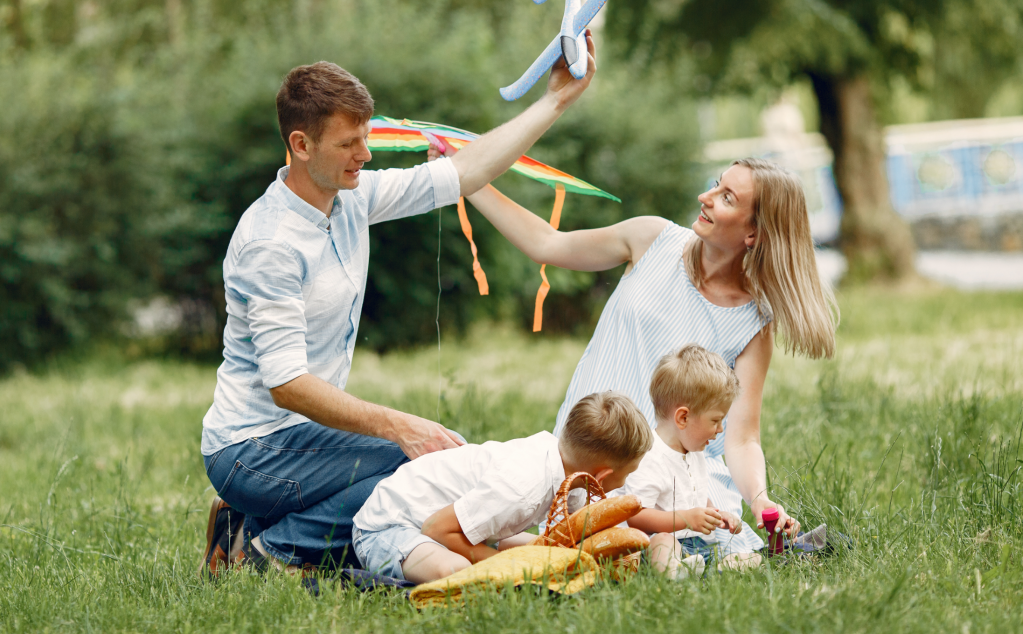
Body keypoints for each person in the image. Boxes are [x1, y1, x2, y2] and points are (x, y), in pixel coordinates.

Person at [202, 33, 599, 578]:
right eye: (348, 144)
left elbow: (464, 173)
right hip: (254, 451)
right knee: (409, 471)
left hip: (300, 440)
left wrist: (556, 100)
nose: (364, 155)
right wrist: (399, 427)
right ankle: (266, 551)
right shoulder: (271, 243)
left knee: (424, 472)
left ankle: (252, 526)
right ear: (300, 145)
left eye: (365, 138)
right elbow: (287, 383)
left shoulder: (350, 197)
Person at [450, 155, 838, 555]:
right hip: (596, 460)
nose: (705, 197)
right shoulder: (652, 239)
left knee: (676, 546)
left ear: (753, 232)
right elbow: (547, 244)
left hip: (676, 484)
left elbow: (740, 437)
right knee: (606, 543)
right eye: (715, 184)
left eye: (726, 197)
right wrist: (466, 180)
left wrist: (759, 498)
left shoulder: (753, 321)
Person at [351, 391, 653, 584]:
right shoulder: (522, 488)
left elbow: (571, 538)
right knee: (457, 571)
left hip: (455, 524)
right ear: (603, 475)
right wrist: (509, 564)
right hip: (392, 528)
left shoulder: (569, 470)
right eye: (631, 472)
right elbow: (435, 529)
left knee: (543, 553)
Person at [620, 345, 761, 578]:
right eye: (715, 420)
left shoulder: (693, 450)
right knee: (663, 544)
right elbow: (636, 517)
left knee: (750, 556)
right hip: (663, 542)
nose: (719, 430)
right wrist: (686, 519)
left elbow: (694, 495)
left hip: (700, 545)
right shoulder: (649, 456)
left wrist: (715, 513)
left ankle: (704, 569)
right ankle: (675, 570)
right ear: (683, 417)